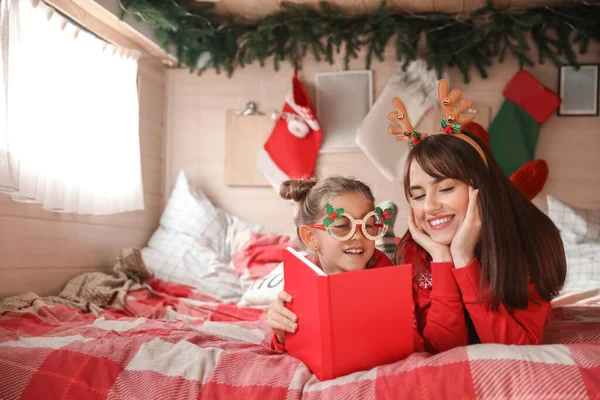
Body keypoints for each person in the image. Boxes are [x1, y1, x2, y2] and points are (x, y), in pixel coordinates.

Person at [389, 79, 566, 346]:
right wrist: (442, 259)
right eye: (418, 195)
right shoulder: (415, 250)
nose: (429, 206)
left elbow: (518, 346)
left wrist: (464, 258)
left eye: (446, 188)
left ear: (480, 188)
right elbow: (443, 347)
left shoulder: (531, 241)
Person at [268, 176, 468, 353]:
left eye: (368, 225)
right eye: (342, 226)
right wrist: (282, 334)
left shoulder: (385, 275)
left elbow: (424, 344)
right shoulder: (304, 277)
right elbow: (291, 344)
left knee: (384, 256)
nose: (358, 235)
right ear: (310, 237)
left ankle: (385, 237)